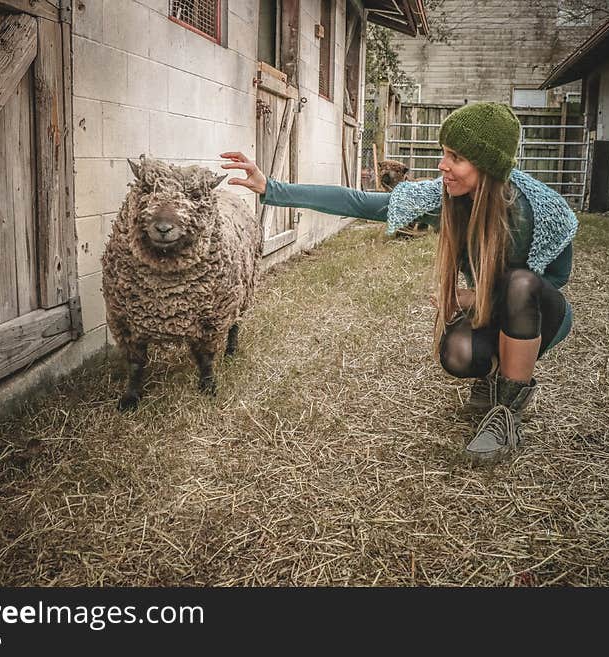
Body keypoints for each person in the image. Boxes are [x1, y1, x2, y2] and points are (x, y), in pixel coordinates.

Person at [220, 102, 577, 467]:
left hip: (539, 317)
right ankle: (493, 378)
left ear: (487, 163)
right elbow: (357, 201)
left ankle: (507, 415)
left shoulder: (539, 207)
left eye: (455, 157)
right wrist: (271, 188)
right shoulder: (442, 199)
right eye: (443, 154)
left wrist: (479, 295)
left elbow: (557, 277)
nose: (442, 165)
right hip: (492, 312)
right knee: (457, 354)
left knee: (520, 284)